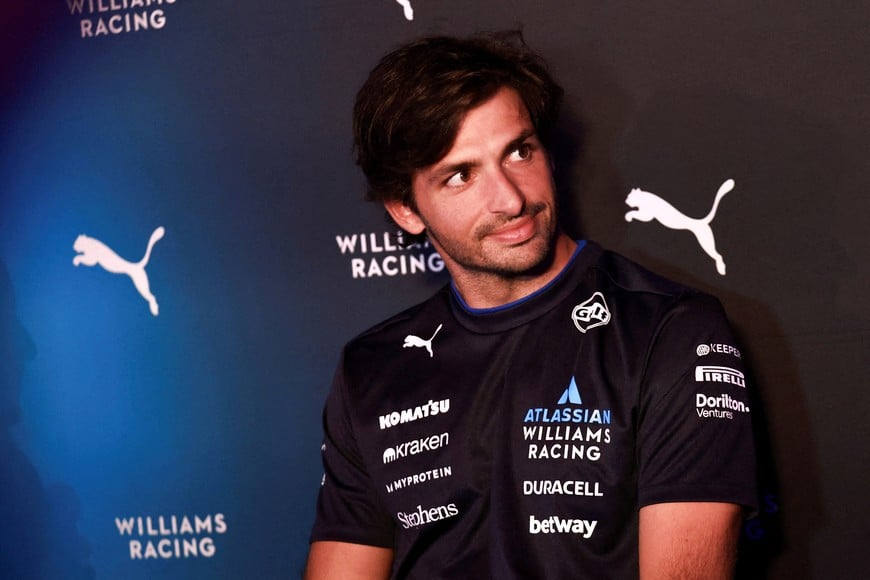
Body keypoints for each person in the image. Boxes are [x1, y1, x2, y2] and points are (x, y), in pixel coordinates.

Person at [305, 32, 757, 579]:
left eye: (519, 151)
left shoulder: (670, 332)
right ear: (405, 210)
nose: (511, 199)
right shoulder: (371, 368)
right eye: (461, 175)